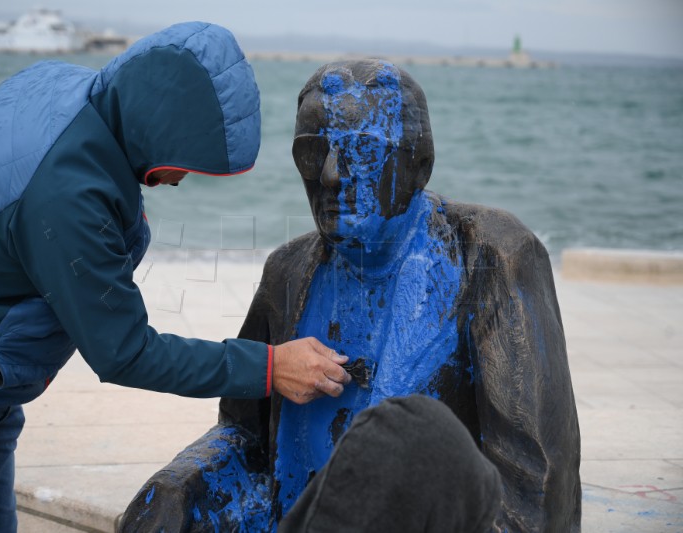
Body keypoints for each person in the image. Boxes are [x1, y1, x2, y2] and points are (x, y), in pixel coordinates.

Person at [0, 22, 351, 532]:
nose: (182, 179)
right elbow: (124, 351)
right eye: (187, 163)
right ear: (161, 130)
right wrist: (268, 367)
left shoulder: (56, 83)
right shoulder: (69, 197)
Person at [120, 59, 581, 532]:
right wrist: (180, 487)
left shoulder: (492, 257)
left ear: (418, 166)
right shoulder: (287, 270)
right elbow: (244, 433)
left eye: (362, 151)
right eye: (311, 153)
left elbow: (535, 483)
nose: (332, 175)